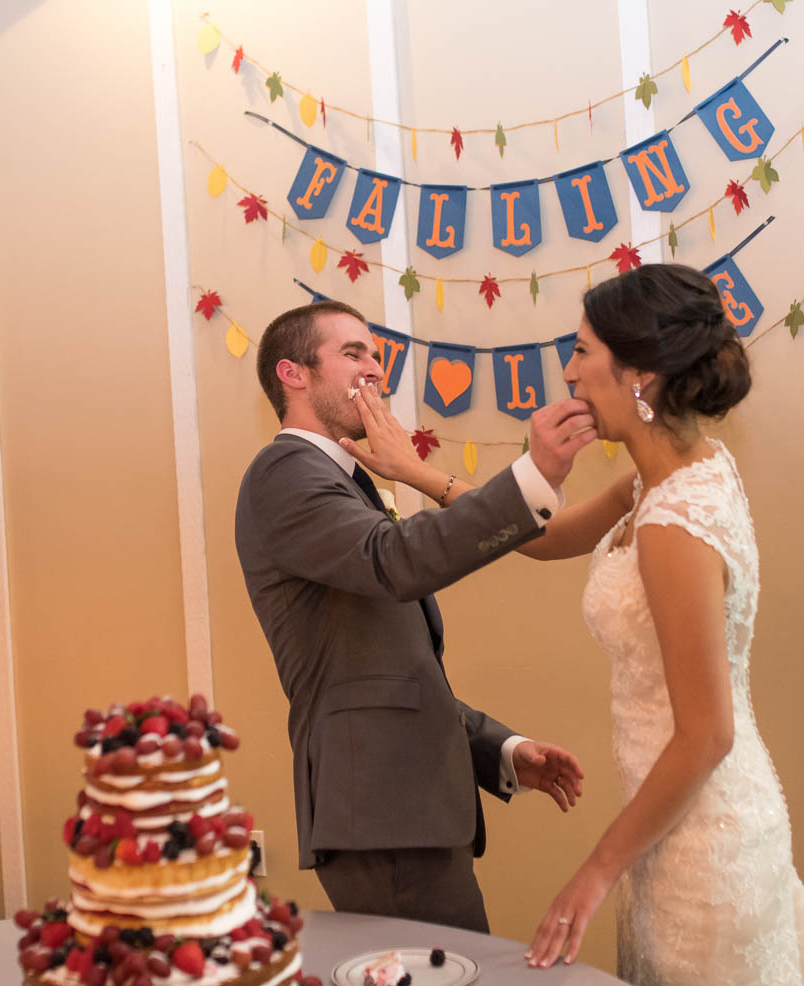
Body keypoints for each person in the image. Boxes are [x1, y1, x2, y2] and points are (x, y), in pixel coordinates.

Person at [346, 266, 804, 984]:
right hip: (669, 826)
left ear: (639, 372)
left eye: (582, 352)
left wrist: (594, 872)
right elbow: (548, 536)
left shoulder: (676, 520)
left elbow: (707, 733)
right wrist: (417, 471)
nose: (569, 372)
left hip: (705, 838)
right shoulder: (667, 474)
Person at [234, 300, 591, 932]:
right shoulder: (286, 469)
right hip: (382, 811)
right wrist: (530, 479)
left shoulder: (348, 483)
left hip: (404, 809)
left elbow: (387, 678)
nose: (375, 369)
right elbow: (395, 560)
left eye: (376, 354)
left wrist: (500, 750)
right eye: (353, 353)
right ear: (294, 374)